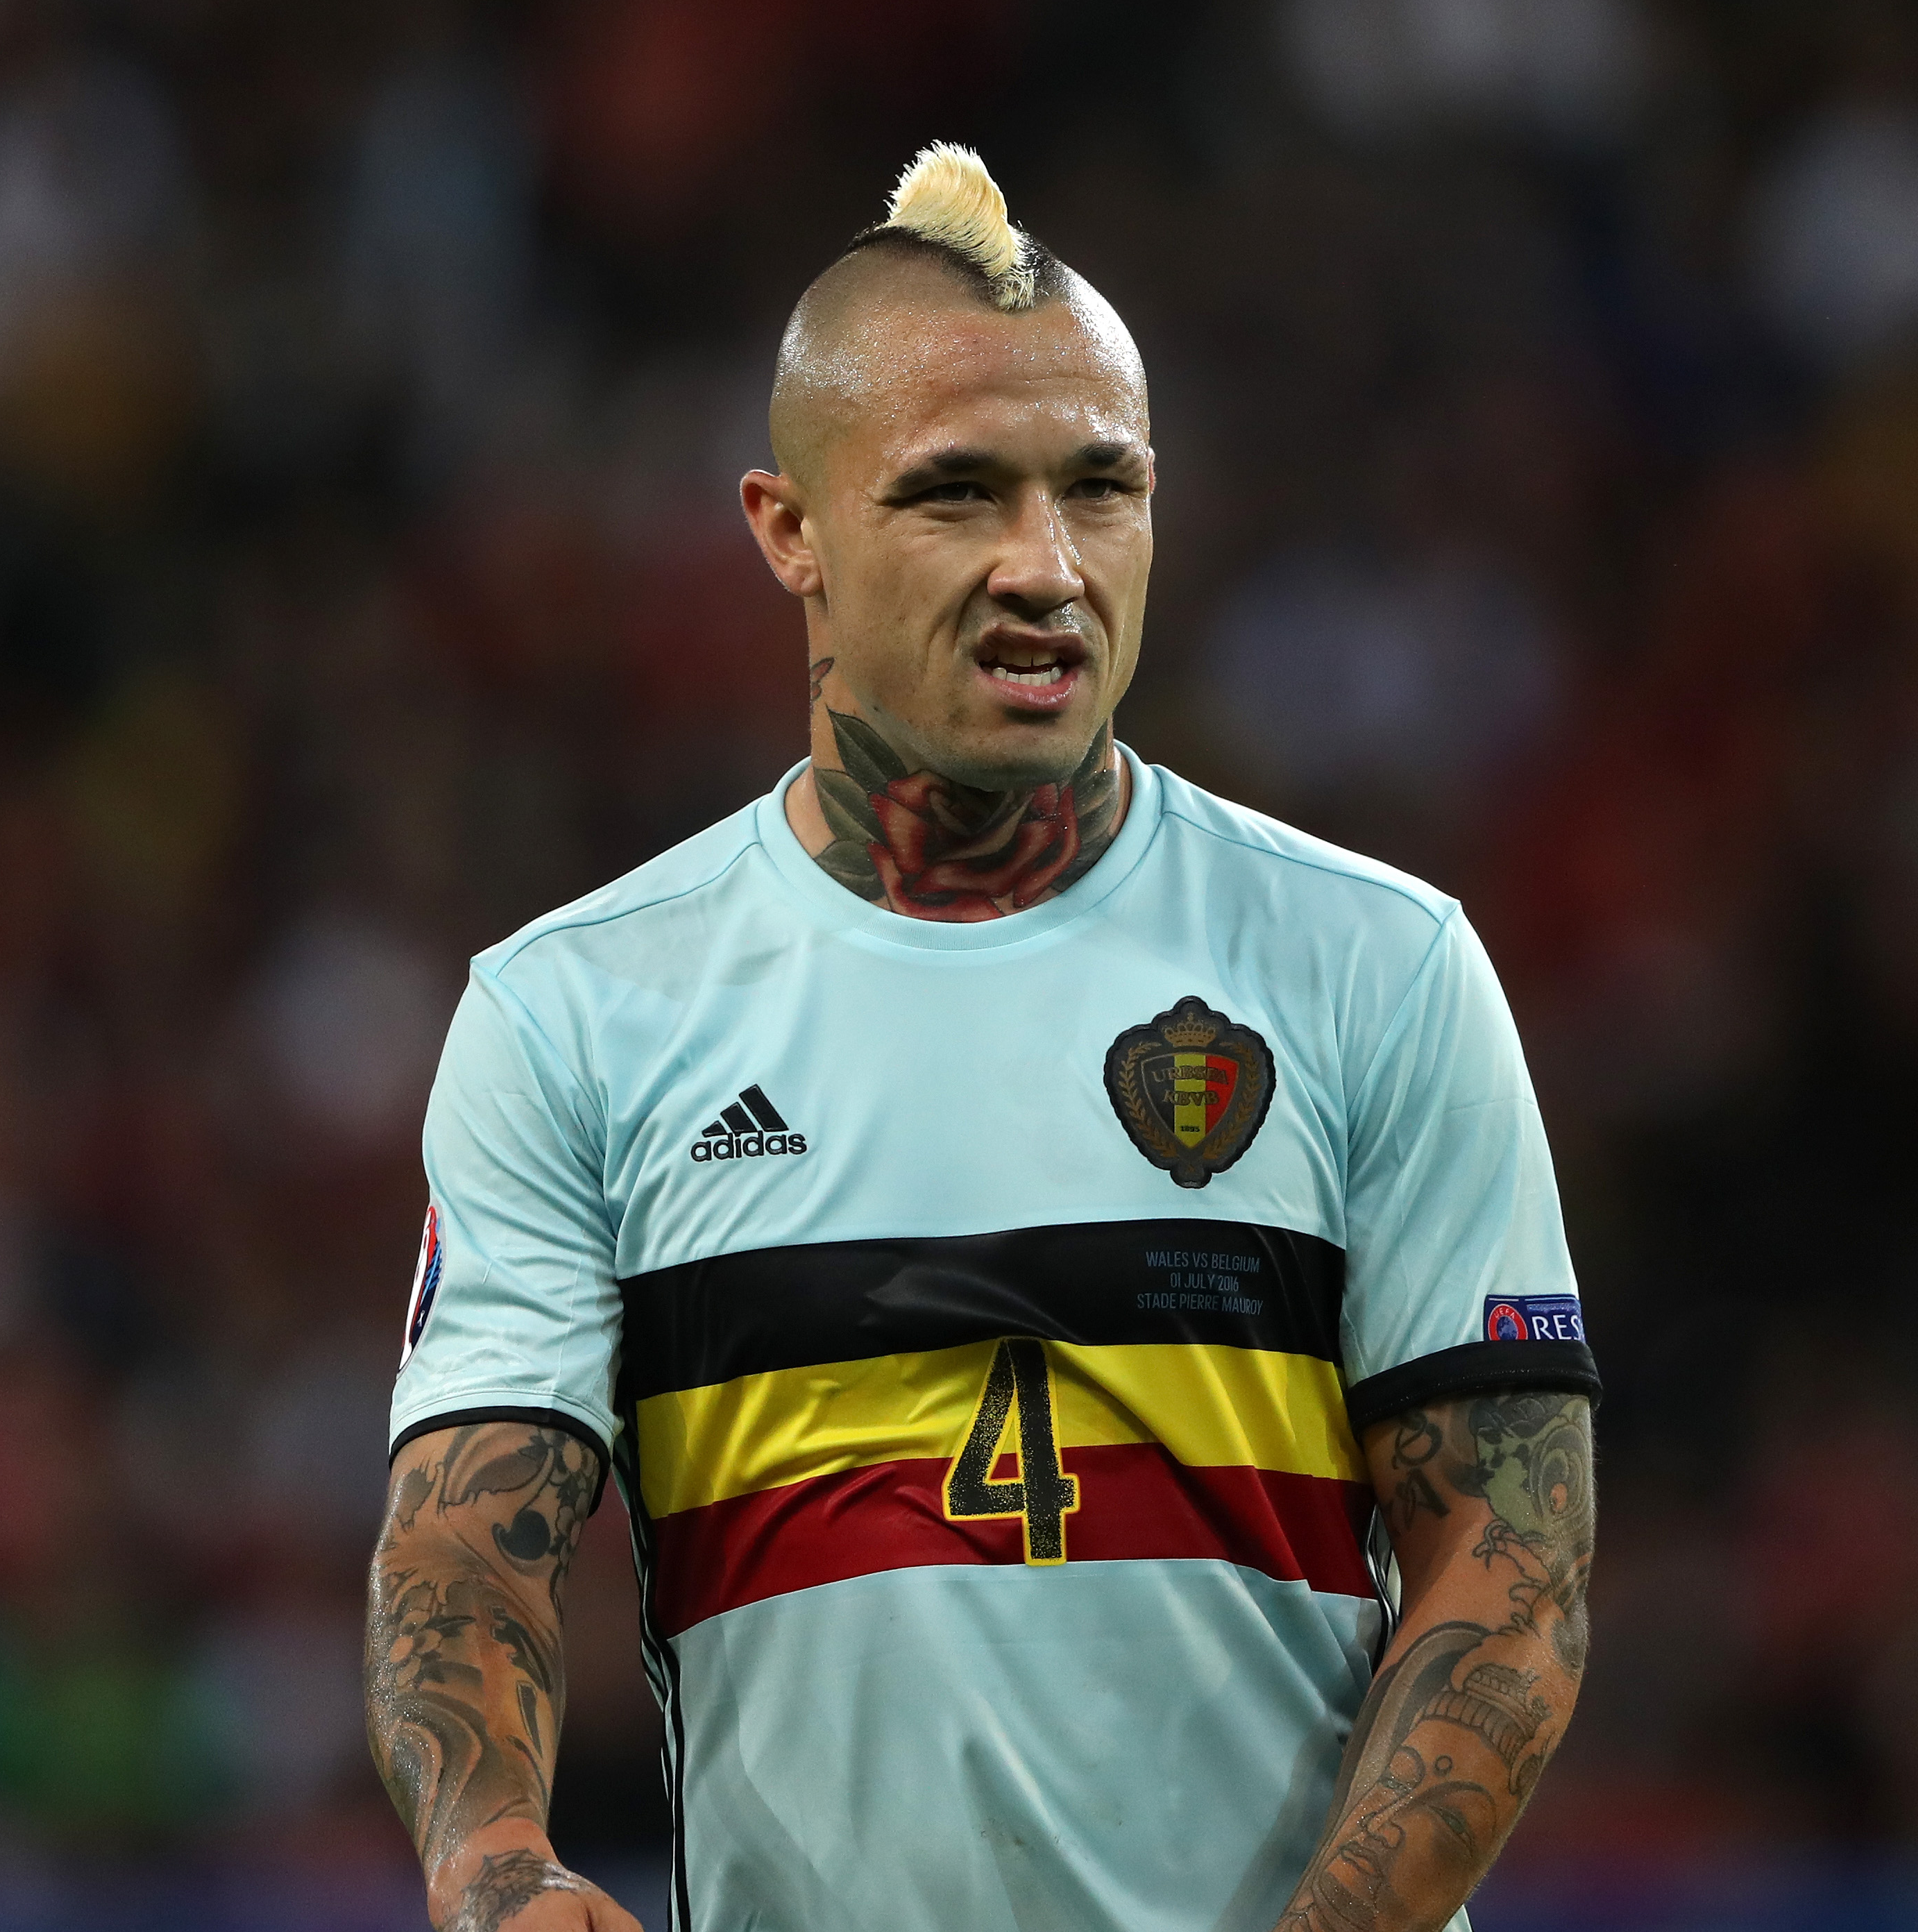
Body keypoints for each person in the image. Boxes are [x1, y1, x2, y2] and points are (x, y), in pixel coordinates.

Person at [366, 144, 1601, 1932]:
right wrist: (494, 1871)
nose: (1048, 567)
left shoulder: (1375, 967)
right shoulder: (580, 1017)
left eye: (1101, 489)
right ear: (788, 528)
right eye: (958, 497)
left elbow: (1517, 1558)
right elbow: (469, 1536)